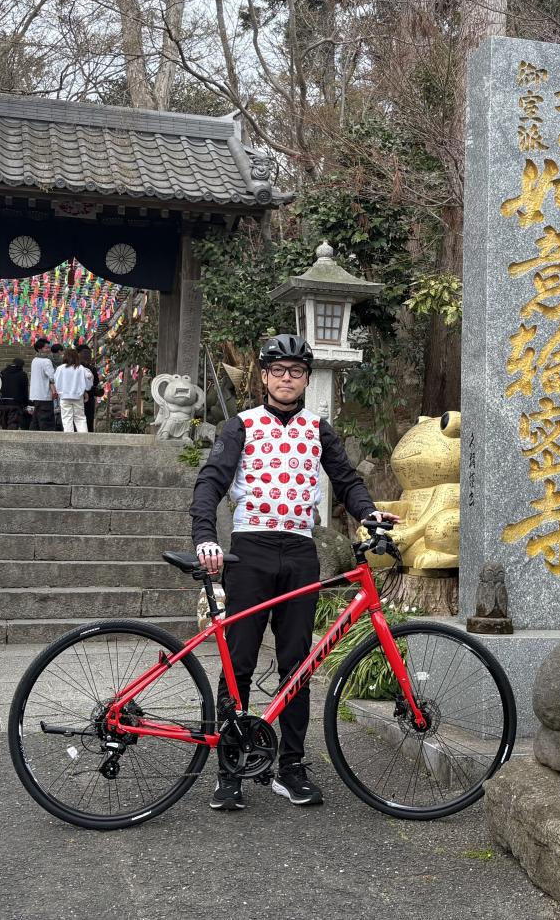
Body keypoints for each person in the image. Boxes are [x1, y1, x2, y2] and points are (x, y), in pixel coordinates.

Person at [189, 333, 389, 813]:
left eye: (296, 371)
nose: (286, 379)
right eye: (278, 370)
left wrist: (370, 516)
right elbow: (210, 483)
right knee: (238, 663)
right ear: (263, 376)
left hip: (300, 553)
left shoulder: (318, 429)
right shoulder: (241, 425)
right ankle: (230, 768)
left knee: (297, 665)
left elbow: (347, 481)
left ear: (306, 378)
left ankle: (292, 767)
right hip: (250, 551)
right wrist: (204, 536)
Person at [52, 347, 94, 433]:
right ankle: (83, 438)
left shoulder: (60, 368)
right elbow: (89, 377)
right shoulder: (80, 368)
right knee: (80, 418)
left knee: (67, 418)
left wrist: (59, 392)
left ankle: (69, 439)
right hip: (78, 396)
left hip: (64, 396)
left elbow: (56, 381)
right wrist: (86, 389)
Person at [28, 338, 58, 432]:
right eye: (46, 348)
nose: (49, 350)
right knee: (46, 422)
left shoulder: (34, 360)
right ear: (40, 349)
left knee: (36, 421)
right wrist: (54, 390)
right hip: (44, 395)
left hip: (35, 395)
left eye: (49, 347)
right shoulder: (46, 361)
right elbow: (52, 378)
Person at [0, 358, 29, 430]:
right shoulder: (22, 374)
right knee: (13, 424)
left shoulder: (3, 372)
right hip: (16, 403)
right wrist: (25, 404)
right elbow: (25, 390)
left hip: (3, 402)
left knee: (4, 424)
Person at [77, 343, 101, 433]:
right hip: (89, 397)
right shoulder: (91, 368)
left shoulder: (73, 367)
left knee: (78, 419)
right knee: (88, 419)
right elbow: (96, 382)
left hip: (77, 396)